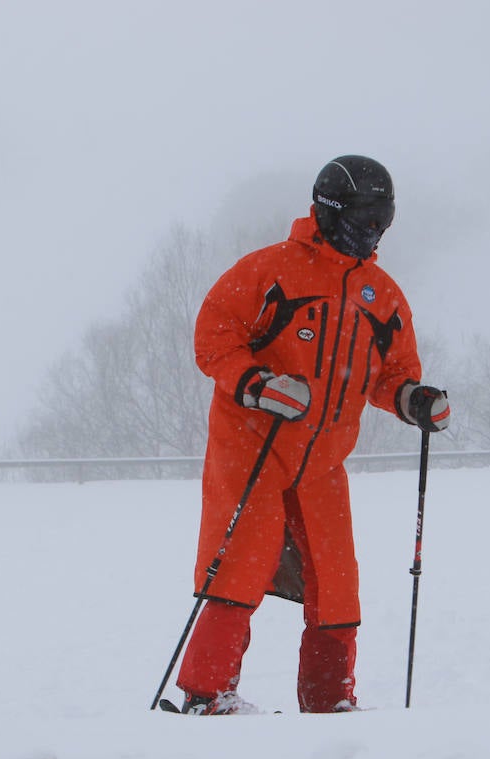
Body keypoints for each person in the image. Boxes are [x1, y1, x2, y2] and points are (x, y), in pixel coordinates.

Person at [175, 155, 449, 715]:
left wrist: (412, 399)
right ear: (330, 210)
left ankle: (329, 704)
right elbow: (214, 336)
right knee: (237, 570)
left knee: (338, 583)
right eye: (364, 216)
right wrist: (255, 383)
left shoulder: (382, 295)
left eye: (383, 219)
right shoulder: (270, 270)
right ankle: (208, 696)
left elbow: (392, 374)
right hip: (253, 447)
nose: (373, 231)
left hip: (323, 462)